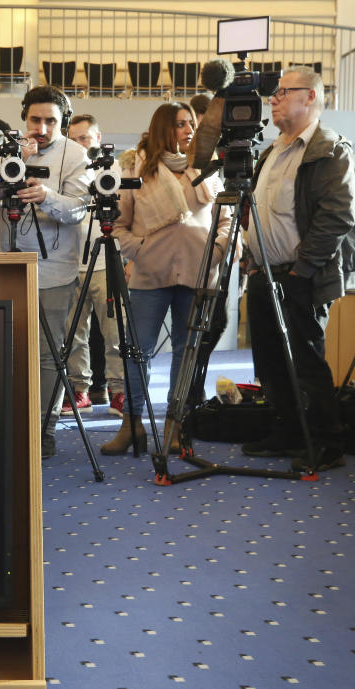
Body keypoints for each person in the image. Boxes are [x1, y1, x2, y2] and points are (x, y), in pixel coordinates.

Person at [242, 66, 354, 472]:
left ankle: (326, 443)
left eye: (283, 91)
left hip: (300, 275)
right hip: (264, 273)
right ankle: (289, 431)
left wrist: (302, 270)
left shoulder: (331, 149)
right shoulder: (271, 151)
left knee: (306, 362)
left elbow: (337, 216)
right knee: (270, 361)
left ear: (310, 97)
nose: (272, 98)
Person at [105, 102, 230, 455]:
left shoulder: (205, 168)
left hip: (198, 273)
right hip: (149, 275)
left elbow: (225, 219)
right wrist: (140, 250)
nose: (189, 129)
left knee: (185, 352)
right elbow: (118, 225)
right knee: (136, 352)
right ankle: (131, 425)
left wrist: (217, 252)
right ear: (163, 128)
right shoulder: (137, 169)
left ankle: (175, 426)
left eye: (191, 123)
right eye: (180, 124)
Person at [0, 86, 93, 457]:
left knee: (49, 354)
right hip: (4, 264)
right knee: (2, 349)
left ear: (62, 121)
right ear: (24, 118)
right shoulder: (5, 148)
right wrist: (11, 159)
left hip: (53, 271)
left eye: (51, 121)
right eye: (36, 119)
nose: (42, 128)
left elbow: (80, 208)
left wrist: (47, 195)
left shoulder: (77, 154)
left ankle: (42, 429)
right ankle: (3, 423)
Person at [60, 113, 126, 418]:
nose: (79, 144)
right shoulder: (66, 168)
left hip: (105, 260)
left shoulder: (114, 169)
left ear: (97, 138)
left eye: (84, 138)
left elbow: (125, 212)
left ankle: (119, 392)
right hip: (71, 261)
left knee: (114, 333)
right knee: (73, 335)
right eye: (73, 139)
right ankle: (80, 390)